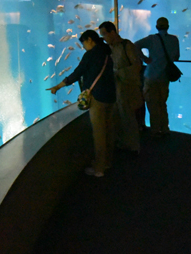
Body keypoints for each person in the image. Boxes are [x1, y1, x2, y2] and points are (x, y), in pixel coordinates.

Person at [48, 30, 116, 177]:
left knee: (99, 133)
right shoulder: (108, 52)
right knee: (109, 130)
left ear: (90, 40)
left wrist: (58, 86)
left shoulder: (91, 55)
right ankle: (107, 161)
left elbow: (77, 73)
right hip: (111, 96)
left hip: (97, 98)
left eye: (83, 43)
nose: (83, 47)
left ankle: (99, 168)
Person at [98, 21, 143, 154]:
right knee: (117, 117)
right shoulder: (107, 49)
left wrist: (119, 73)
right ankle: (122, 144)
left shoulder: (126, 45)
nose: (103, 38)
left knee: (128, 117)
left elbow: (137, 65)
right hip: (115, 89)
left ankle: (134, 147)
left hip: (127, 87)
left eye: (104, 34)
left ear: (112, 32)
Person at [134, 17, 180, 136]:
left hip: (151, 76)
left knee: (152, 104)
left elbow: (135, 45)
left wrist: (144, 58)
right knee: (162, 104)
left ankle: (155, 130)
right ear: (168, 27)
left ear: (156, 27)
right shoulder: (174, 39)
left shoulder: (152, 39)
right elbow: (176, 57)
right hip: (165, 77)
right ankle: (165, 129)